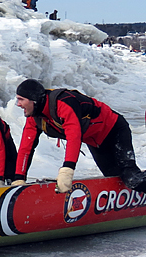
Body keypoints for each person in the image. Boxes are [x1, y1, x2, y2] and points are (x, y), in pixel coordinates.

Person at [13, 79, 146, 193]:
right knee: (113, 178)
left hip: (114, 129)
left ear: (34, 101)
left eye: (21, 99)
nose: (17, 104)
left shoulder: (64, 103)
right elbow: (26, 147)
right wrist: (19, 177)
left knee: (130, 177)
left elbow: (74, 137)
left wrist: (67, 170)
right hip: (95, 140)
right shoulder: (34, 116)